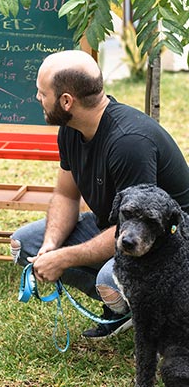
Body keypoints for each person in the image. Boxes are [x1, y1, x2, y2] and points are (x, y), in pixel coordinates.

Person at [10, 49, 189, 339]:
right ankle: (120, 307)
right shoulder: (71, 128)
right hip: (115, 228)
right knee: (26, 245)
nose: (37, 98)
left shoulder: (129, 142)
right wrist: (51, 245)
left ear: (66, 101)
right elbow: (67, 196)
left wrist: (64, 258)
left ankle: (141, 310)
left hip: (168, 242)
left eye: (42, 92)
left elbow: (135, 229)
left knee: (110, 280)